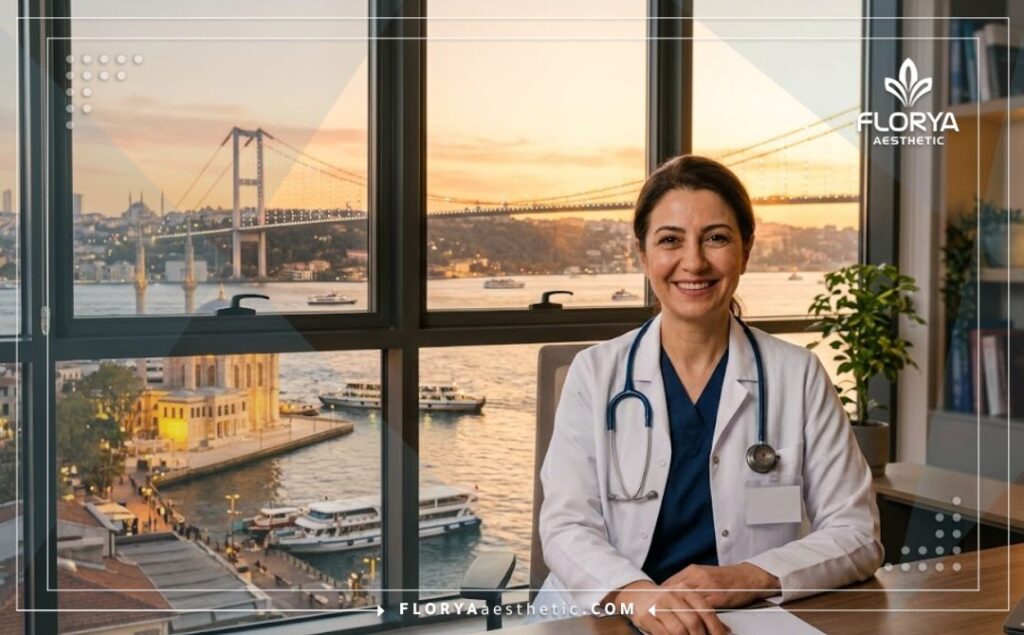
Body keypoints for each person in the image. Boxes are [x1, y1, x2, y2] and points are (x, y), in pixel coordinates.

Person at [533, 155, 883, 635]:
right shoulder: (595, 373)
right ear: (642, 255)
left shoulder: (797, 375)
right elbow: (565, 526)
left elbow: (857, 534)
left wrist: (743, 578)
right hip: (606, 615)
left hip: (739, 618)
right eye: (670, 240)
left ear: (745, 250)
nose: (693, 262)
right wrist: (635, 594)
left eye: (716, 238)